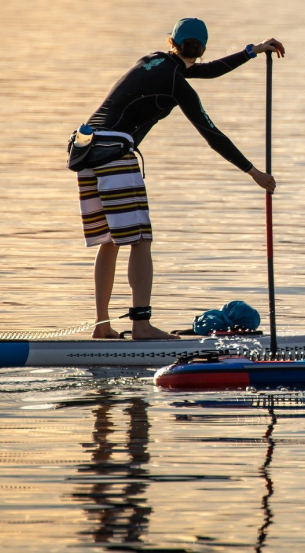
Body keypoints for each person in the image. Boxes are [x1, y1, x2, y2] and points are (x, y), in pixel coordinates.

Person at [75, 18, 284, 340]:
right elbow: (212, 134)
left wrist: (252, 51)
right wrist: (253, 172)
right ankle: (141, 326)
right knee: (140, 240)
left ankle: (102, 327)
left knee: (110, 242)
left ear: (171, 41)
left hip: (85, 151)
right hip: (115, 155)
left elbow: (208, 71)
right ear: (201, 49)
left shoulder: (151, 62)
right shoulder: (177, 84)